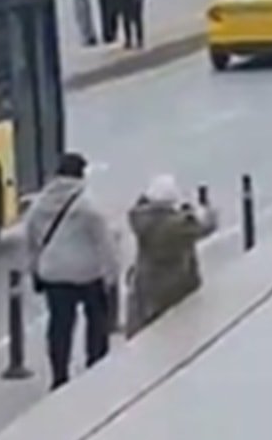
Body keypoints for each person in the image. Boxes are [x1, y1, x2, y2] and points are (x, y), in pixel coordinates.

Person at [19, 153, 127, 387]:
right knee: (96, 320)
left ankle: (59, 375)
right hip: (87, 273)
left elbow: (30, 240)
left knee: (60, 324)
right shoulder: (88, 205)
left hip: (54, 274)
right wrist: (111, 275)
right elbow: (104, 243)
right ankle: (95, 366)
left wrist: (34, 269)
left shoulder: (39, 203)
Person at [121, 180, 210, 337]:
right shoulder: (172, 226)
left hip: (146, 282)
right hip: (172, 287)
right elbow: (206, 227)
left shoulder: (143, 220)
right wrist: (202, 212)